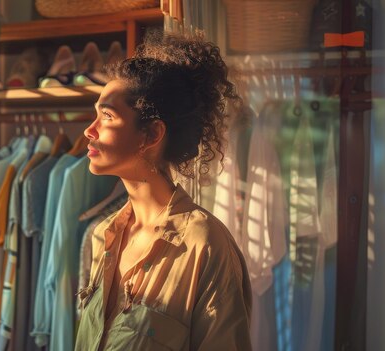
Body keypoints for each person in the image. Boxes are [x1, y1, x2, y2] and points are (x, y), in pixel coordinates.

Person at [75, 30, 252, 351]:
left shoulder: (204, 246)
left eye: (107, 116)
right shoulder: (104, 236)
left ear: (152, 134)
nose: (89, 130)